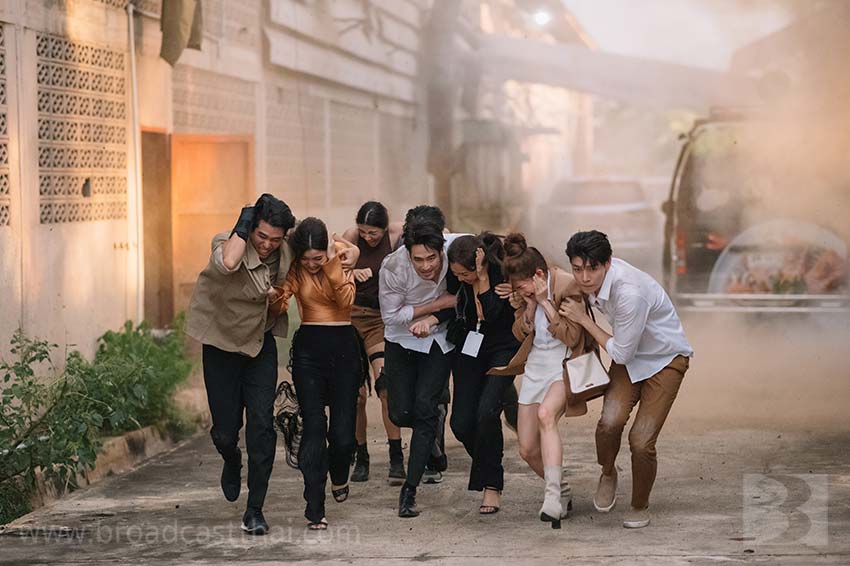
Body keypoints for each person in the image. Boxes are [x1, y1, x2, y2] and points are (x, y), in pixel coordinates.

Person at [559, 230, 693, 529]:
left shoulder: (630, 293)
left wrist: (582, 319)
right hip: (629, 357)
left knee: (641, 441)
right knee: (609, 422)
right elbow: (552, 280)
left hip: (664, 360)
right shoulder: (584, 280)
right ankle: (608, 472)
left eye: (592, 268)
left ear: (607, 263)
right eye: (577, 269)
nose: (584, 277)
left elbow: (620, 353)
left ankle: (639, 504)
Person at [185, 193, 296, 535]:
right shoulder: (228, 241)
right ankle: (231, 458)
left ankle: (255, 510)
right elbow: (229, 263)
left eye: (275, 239)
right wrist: (245, 219)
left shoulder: (285, 251)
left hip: (259, 346)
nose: (267, 245)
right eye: (262, 236)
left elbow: (328, 245)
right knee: (224, 431)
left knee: (262, 427)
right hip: (221, 345)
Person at [493, 232, 595, 529]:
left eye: (521, 286)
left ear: (538, 275)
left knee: (546, 414)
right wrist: (528, 307)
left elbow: (573, 337)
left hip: (564, 365)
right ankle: (562, 491)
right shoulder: (524, 293)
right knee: (527, 449)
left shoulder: (567, 285)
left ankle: (551, 498)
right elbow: (520, 333)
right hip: (536, 366)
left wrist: (545, 303)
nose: (518, 291)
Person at [268, 218, 362, 530]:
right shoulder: (296, 269)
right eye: (306, 259)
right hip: (309, 351)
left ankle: (339, 474)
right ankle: (314, 507)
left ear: (326, 251)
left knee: (343, 435)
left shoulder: (342, 260)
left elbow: (345, 300)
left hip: (345, 349)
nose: (311, 264)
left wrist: (332, 265)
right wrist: (275, 296)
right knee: (314, 426)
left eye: (317, 258)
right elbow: (280, 306)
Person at [378, 214, 459, 517]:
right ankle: (432, 445)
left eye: (432, 258)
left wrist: (435, 318)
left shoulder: (456, 249)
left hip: (440, 338)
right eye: (418, 260)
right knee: (400, 413)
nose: (426, 266)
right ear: (407, 253)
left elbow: (462, 296)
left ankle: (409, 491)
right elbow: (391, 316)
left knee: (424, 407)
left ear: (441, 248)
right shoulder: (392, 266)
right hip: (401, 339)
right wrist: (438, 304)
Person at [446, 233, 521, 515]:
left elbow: (489, 314)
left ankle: (492, 484)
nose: (460, 278)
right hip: (470, 345)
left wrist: (482, 278)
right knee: (461, 423)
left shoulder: (502, 275)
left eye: (464, 274)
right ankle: (490, 467)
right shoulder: (456, 274)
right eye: (456, 274)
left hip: (502, 346)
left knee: (487, 413)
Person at [342, 201, 405, 485]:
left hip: (380, 320)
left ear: (384, 228)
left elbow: (434, 232)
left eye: (373, 233)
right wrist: (351, 272)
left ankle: (396, 456)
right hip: (352, 317)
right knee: (356, 394)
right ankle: (361, 455)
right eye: (364, 231)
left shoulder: (395, 234)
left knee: (385, 386)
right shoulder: (351, 237)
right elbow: (333, 266)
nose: (368, 237)